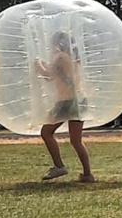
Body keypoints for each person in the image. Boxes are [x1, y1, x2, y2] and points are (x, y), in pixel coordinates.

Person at [38, 31, 95, 183]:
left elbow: (49, 75)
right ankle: (87, 174)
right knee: (76, 140)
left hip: (67, 102)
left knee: (46, 132)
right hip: (80, 99)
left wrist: (37, 64)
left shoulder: (60, 57)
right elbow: (58, 74)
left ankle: (59, 166)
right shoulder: (73, 59)